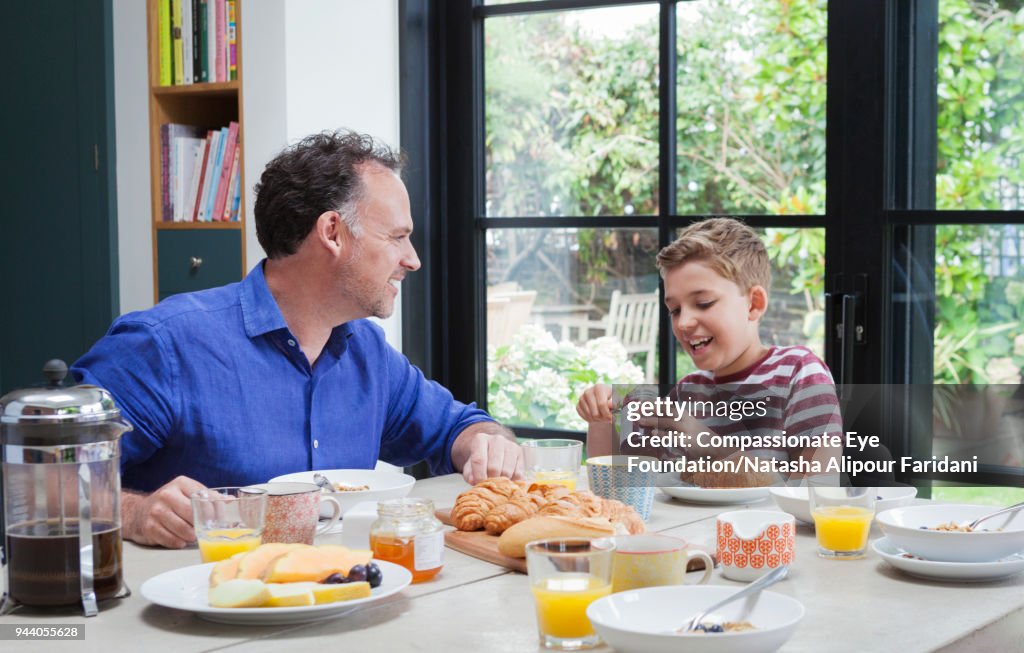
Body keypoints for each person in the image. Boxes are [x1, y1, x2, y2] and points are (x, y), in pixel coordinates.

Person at [73, 130, 522, 548]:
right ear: (332, 233)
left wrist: (487, 443)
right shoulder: (164, 345)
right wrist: (134, 512)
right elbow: (42, 477)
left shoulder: (367, 352)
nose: (413, 260)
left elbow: (458, 428)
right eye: (398, 238)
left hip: (338, 598)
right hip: (201, 613)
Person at [576, 217, 841, 480]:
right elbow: (616, 483)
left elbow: (816, 493)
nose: (684, 322)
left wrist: (709, 445)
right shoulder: (688, 391)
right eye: (675, 310)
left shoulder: (799, 372)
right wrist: (603, 416)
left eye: (703, 303)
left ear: (753, 304)